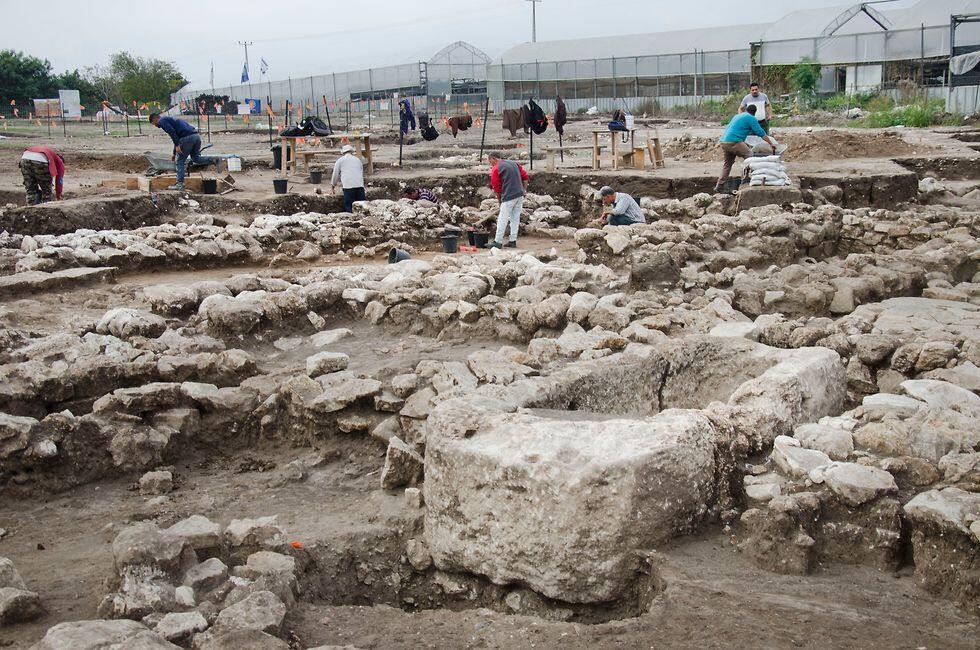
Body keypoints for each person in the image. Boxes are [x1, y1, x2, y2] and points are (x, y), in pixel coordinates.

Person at [714, 104, 778, 193]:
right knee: (750, 157)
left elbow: (737, 129)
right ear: (754, 113)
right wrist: (771, 143)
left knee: (727, 164)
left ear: (746, 110)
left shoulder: (738, 116)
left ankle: (720, 185)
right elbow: (760, 132)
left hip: (724, 141)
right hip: (734, 141)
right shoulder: (751, 118)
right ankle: (746, 178)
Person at [149, 113, 216, 191]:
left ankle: (180, 185)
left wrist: (177, 145)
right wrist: (174, 153)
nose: (155, 125)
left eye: (153, 123)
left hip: (186, 138)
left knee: (180, 162)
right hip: (195, 136)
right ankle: (214, 159)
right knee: (196, 158)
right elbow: (177, 136)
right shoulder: (170, 118)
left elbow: (172, 132)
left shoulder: (162, 121)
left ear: (155, 119)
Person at [487, 152, 528, 249]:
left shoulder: (496, 168)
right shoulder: (514, 163)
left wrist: (500, 202)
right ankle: (512, 240)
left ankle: (498, 241)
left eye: (490, 161)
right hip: (519, 194)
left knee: (502, 218)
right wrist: (524, 190)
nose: (490, 164)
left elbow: (497, 188)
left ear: (494, 159)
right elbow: (525, 177)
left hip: (509, 196)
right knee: (515, 218)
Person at [331, 144, 365, 212]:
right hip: (360, 186)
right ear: (352, 152)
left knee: (349, 206)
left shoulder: (340, 160)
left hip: (348, 187)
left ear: (343, 152)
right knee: (362, 207)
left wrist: (333, 186)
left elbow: (335, 174)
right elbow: (361, 172)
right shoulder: (357, 160)